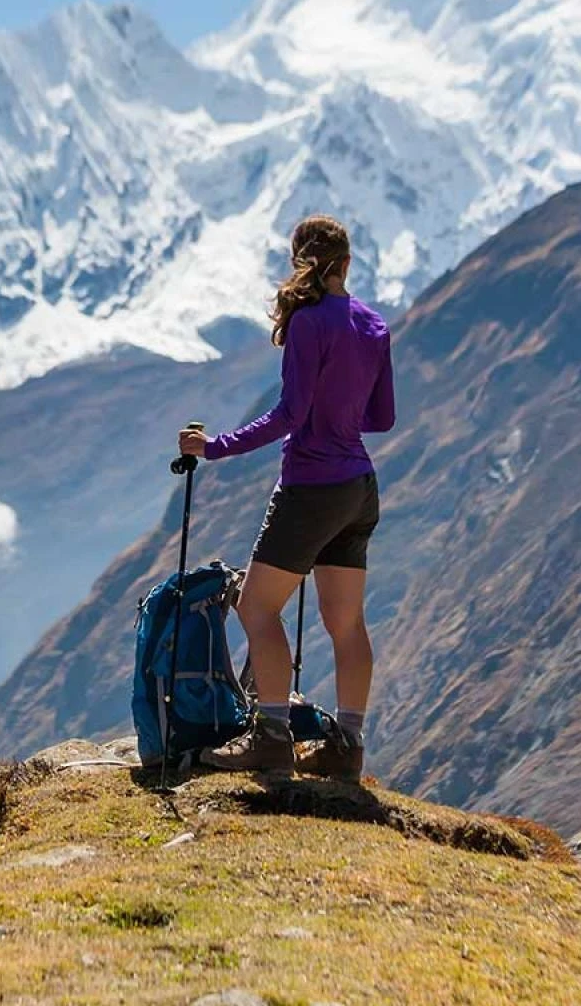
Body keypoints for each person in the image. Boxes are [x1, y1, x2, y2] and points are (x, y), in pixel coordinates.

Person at [177, 214, 395, 778]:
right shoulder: (373, 324)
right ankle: (347, 748)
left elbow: (290, 415)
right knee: (346, 624)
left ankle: (271, 737)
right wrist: (341, 414)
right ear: (347, 263)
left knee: (255, 606)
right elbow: (383, 416)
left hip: (312, 488)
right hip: (359, 488)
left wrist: (215, 447)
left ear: (301, 262)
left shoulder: (307, 324)